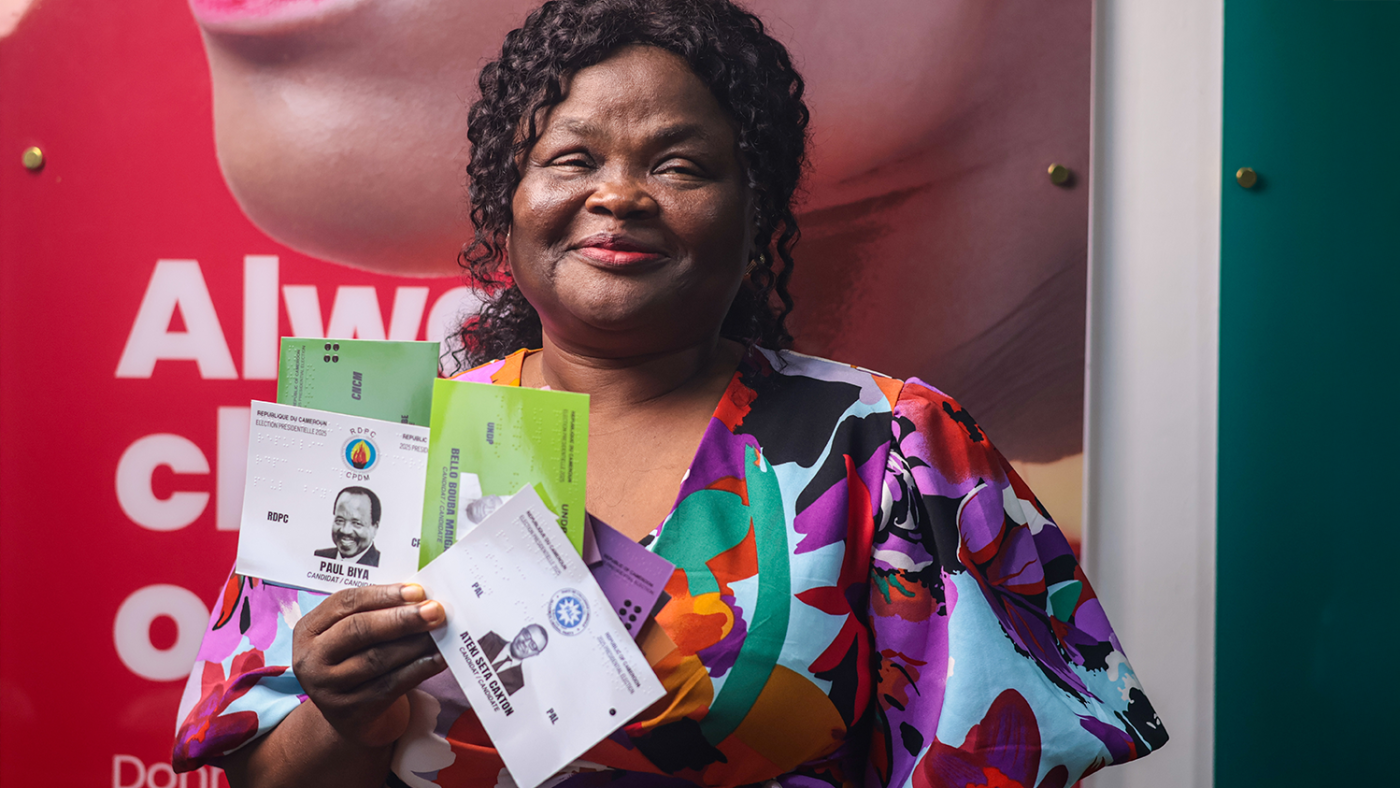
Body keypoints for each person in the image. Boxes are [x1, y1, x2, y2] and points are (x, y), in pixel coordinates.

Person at [173, 2, 1164, 787]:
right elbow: (259, 771)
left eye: (679, 165)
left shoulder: (892, 447)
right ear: (505, 201)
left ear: (756, 212)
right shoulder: (383, 454)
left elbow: (994, 758)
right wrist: (344, 712)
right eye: (571, 158)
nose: (618, 194)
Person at [313, 487, 383, 567]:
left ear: (374, 528)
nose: (345, 530)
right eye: (340, 520)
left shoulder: (382, 564)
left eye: (356, 523)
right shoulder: (319, 557)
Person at [477, 625, 550, 696]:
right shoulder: (489, 638)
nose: (525, 643)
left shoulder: (517, 686)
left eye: (533, 645)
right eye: (527, 635)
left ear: (535, 654)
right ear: (521, 631)